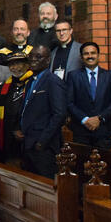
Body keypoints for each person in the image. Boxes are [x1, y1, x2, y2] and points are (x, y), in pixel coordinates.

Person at [20, 46, 67, 178]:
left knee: (45, 184)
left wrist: (42, 141)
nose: (33, 60)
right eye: (31, 56)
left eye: (38, 57)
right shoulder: (30, 81)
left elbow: (59, 114)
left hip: (43, 146)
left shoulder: (53, 81)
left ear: (47, 61)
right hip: (28, 143)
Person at [66, 42, 111, 149]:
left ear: (98, 55)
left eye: (93, 53)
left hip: (103, 131)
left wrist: (99, 118)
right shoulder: (73, 76)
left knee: (104, 163)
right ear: (81, 57)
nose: (90, 56)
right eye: (86, 54)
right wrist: (85, 119)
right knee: (80, 164)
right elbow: (69, 102)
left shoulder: (110, 76)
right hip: (81, 131)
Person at [0, 52, 33, 164]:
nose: (14, 68)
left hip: (28, 138)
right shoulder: (4, 87)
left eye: (18, 63)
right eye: (11, 65)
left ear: (27, 64)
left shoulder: (34, 83)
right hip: (8, 139)